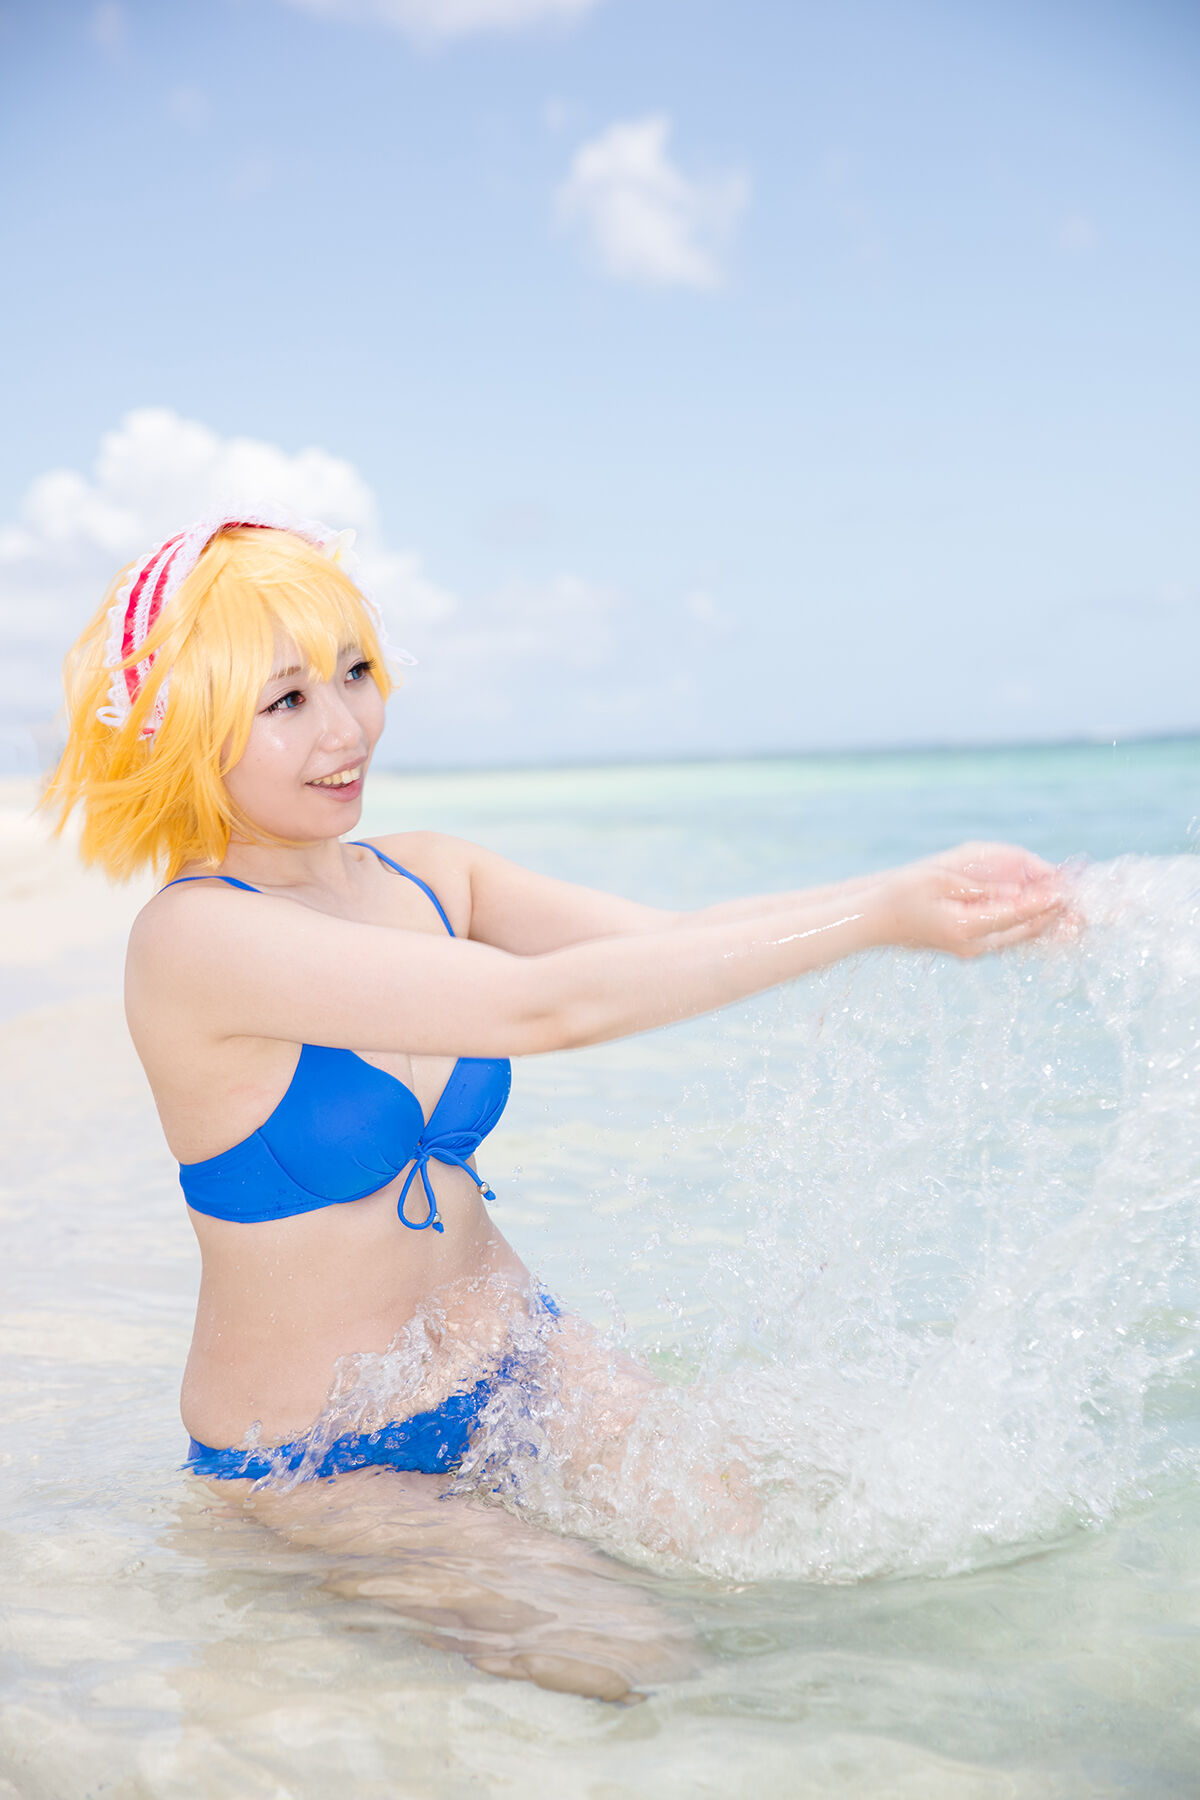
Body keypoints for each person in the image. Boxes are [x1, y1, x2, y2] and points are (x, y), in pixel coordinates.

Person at [43, 513, 1067, 1699]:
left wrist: (919, 895)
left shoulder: (431, 873)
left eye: (356, 673)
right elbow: (542, 1007)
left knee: (782, 1562)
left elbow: (671, 938)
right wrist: (879, 917)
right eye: (286, 700)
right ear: (182, 728)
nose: (345, 729)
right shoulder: (195, 940)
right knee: (628, 1659)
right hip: (318, 1458)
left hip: (526, 1359)